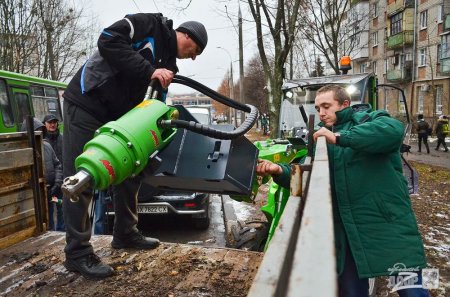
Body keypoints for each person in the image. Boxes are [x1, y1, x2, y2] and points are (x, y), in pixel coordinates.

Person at [61, 13, 208, 279]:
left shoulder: (169, 66)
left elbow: (151, 108)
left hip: (117, 117)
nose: (194, 57)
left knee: (132, 167)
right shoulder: (148, 25)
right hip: (86, 103)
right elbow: (107, 40)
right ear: (187, 35)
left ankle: (125, 233)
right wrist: (149, 70)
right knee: (81, 174)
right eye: (195, 50)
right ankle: (77, 253)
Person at [256, 85, 429, 297]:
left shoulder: (372, 119)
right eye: (318, 107)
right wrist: (278, 170)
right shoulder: (321, 139)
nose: (321, 113)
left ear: (345, 104)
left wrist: (338, 137)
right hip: (348, 234)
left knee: (413, 292)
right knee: (351, 293)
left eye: (327, 106)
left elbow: (393, 132)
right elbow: (307, 176)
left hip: (388, 226)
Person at [21, 118, 63, 232]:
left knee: (51, 218)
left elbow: (57, 165)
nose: (39, 133)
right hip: (34, 195)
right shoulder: (23, 150)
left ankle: (54, 235)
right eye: (36, 130)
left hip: (50, 191)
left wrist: (57, 184)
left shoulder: (47, 146)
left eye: (40, 130)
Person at [42, 114, 65, 231]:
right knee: (48, 211)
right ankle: (51, 231)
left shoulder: (62, 138)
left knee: (62, 208)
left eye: (54, 122)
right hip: (49, 184)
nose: (52, 124)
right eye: (50, 122)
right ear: (44, 124)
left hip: (62, 180)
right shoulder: (41, 140)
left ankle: (61, 232)